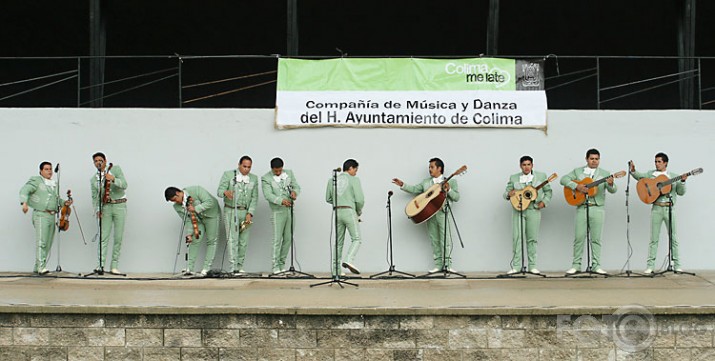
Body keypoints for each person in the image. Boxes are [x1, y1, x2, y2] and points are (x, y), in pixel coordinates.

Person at [392, 158, 460, 272]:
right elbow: (414, 189)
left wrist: (450, 189)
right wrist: (402, 185)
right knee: (434, 239)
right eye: (429, 167)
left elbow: (457, 197)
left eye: (432, 167)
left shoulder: (451, 182)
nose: (430, 169)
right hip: (429, 213)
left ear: (439, 168)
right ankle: (438, 265)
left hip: (443, 212)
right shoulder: (426, 182)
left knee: (445, 239)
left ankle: (447, 265)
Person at [560, 148, 617, 275]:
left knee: (596, 238)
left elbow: (613, 190)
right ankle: (576, 265)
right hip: (582, 207)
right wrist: (577, 186)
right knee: (579, 237)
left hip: (597, 208)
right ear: (586, 159)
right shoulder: (578, 171)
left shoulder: (605, 173)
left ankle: (596, 265)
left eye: (597, 159)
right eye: (592, 159)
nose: (594, 161)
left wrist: (611, 184)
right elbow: (563, 179)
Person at [630, 153, 688, 274]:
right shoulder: (651, 174)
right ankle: (650, 266)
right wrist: (634, 171)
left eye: (659, 162)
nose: (656, 164)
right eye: (655, 161)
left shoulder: (673, 176)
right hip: (656, 208)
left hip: (669, 208)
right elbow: (640, 177)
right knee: (654, 238)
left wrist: (682, 181)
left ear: (665, 163)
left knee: (673, 237)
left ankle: (677, 265)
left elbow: (681, 192)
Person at [20, 161, 72, 275]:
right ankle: (41, 267)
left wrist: (65, 202)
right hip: (40, 214)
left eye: (50, 169)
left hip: (51, 215)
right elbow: (25, 190)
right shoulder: (36, 180)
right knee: (41, 241)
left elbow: (57, 200)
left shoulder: (54, 184)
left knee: (48, 242)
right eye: (46, 169)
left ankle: (37, 266)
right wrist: (24, 202)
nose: (49, 171)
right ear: (41, 171)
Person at [503, 155, 552, 275]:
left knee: (532, 238)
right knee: (517, 238)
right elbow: (505, 193)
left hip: (533, 209)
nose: (526, 167)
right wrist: (509, 193)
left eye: (528, 164)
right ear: (520, 166)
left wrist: (544, 203)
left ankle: (532, 266)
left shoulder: (541, 176)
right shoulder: (514, 177)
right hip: (518, 209)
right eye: (524, 165)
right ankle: (516, 266)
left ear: (532, 165)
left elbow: (548, 192)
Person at [165, 186, 220, 277]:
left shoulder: (196, 190)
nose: (176, 202)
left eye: (175, 199)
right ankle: (189, 268)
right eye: (173, 201)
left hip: (211, 215)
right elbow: (187, 220)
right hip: (197, 221)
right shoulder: (177, 207)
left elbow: (210, 202)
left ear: (178, 193)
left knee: (211, 241)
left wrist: (196, 208)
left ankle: (206, 268)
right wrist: (189, 234)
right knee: (194, 241)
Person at [216, 156, 258, 274]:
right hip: (231, 211)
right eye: (244, 166)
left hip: (245, 212)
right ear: (239, 164)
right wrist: (226, 192)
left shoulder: (254, 178)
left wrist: (250, 213)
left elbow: (255, 197)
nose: (246, 169)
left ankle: (240, 266)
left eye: (249, 167)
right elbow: (219, 191)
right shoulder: (228, 175)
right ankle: (232, 267)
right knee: (232, 240)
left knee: (243, 241)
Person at [261, 157, 301, 274]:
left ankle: (282, 264)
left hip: (290, 210)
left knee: (288, 238)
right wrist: (281, 201)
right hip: (277, 211)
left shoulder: (289, 173)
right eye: (276, 171)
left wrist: (295, 193)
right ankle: (275, 266)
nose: (278, 173)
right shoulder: (266, 178)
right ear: (272, 169)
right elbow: (268, 195)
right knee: (277, 239)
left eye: (280, 170)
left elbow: (296, 186)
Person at [90, 152, 128, 274]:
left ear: (105, 161)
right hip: (106, 206)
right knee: (103, 237)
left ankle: (114, 265)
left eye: (100, 160)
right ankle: (100, 265)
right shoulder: (93, 179)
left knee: (118, 237)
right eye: (96, 161)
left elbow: (124, 185)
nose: (98, 162)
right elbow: (94, 196)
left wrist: (113, 179)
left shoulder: (115, 170)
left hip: (119, 205)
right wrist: (97, 209)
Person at [325, 159, 364, 276]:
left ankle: (335, 270)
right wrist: (358, 212)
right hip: (349, 210)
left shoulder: (332, 180)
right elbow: (360, 199)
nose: (356, 173)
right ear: (351, 168)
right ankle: (349, 260)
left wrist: (338, 202)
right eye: (355, 170)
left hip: (337, 211)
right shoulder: (354, 180)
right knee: (356, 238)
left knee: (338, 242)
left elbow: (328, 198)